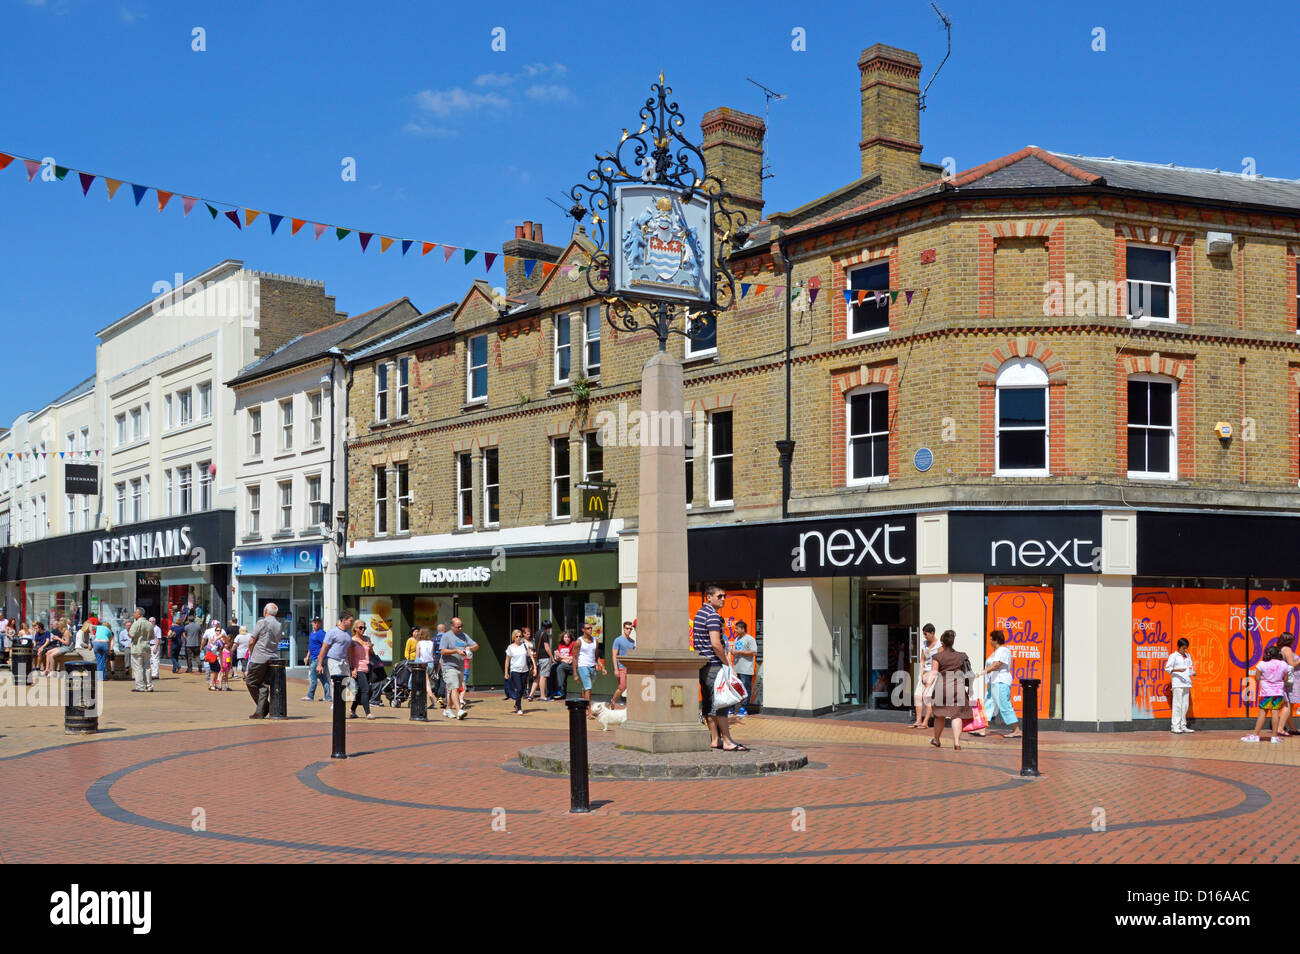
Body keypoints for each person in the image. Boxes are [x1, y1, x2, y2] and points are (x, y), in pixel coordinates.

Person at [693, 584, 745, 751]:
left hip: (703, 665)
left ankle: (715, 739)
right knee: (722, 703)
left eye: (724, 596)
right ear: (709, 597)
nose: (723, 599)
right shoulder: (713, 616)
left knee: (709, 704)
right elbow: (716, 644)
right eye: (719, 596)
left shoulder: (700, 613)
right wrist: (726, 663)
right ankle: (728, 741)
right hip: (714, 665)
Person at [967, 629, 1021, 739]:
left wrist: (982, 672)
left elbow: (996, 665)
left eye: (991, 639)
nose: (990, 641)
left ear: (996, 640)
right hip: (994, 682)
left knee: (1004, 705)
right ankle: (982, 729)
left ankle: (1016, 730)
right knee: (988, 704)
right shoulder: (996, 651)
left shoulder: (1003, 650)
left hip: (1001, 681)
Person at [929, 629, 973, 750]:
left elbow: (933, 674)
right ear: (952, 642)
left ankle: (937, 740)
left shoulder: (937, 657)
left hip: (941, 688)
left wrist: (926, 688)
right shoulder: (961, 656)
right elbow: (968, 672)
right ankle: (957, 742)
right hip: (957, 688)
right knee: (956, 715)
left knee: (939, 715)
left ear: (942, 643)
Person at [1243, 644, 1290, 743]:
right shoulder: (1283, 664)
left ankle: (1255, 735)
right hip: (1279, 692)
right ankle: (1274, 737)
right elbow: (1285, 678)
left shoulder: (1261, 664)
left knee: (1262, 714)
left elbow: (1257, 678)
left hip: (1266, 692)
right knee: (1275, 713)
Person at [244, 604, 282, 719]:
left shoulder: (262, 622)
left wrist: (251, 653)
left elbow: (251, 641)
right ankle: (260, 712)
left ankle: (265, 708)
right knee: (264, 685)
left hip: (259, 658)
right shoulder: (279, 625)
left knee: (250, 682)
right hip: (273, 658)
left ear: (265, 611)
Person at [439, 617, 478, 720]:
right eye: (458, 627)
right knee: (455, 688)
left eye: (461, 626)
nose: (460, 628)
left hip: (460, 667)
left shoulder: (464, 636)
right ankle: (459, 710)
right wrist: (456, 651)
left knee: (454, 689)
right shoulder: (446, 636)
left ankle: (447, 709)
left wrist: (470, 648)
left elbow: (476, 646)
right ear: (452, 626)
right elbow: (442, 651)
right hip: (448, 666)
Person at [910, 623, 940, 728]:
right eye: (924, 634)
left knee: (927, 697)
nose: (925, 636)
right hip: (925, 673)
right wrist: (921, 673)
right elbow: (922, 660)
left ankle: (925, 722)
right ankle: (918, 720)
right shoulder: (924, 644)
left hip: (934, 673)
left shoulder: (939, 645)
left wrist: (931, 677)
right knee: (917, 695)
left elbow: (940, 661)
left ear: (932, 633)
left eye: (926, 634)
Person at [1164, 637, 1196, 734]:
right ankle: (1175, 726)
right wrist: (1178, 670)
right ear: (1179, 647)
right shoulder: (1173, 656)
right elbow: (1167, 668)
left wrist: (1193, 672)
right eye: (1183, 648)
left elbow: (1190, 668)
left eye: (1186, 648)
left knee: (1185, 705)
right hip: (1177, 683)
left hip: (1186, 683)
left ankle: (1183, 725)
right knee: (1177, 704)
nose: (1185, 650)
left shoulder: (1188, 656)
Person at [574, 622, 602, 718]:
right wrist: (575, 673)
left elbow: (596, 655)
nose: (590, 630)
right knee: (588, 689)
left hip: (592, 667)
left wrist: (601, 666)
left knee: (586, 689)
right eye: (588, 628)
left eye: (591, 628)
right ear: (583, 630)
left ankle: (581, 705)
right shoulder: (579, 641)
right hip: (583, 666)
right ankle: (589, 712)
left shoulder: (595, 640)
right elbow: (574, 657)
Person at [503, 628, 533, 715]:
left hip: (525, 670)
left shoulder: (524, 645)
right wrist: (506, 672)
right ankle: (519, 708)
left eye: (520, 636)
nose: (519, 638)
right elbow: (507, 660)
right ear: (513, 637)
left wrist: (534, 666)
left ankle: (516, 704)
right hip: (515, 670)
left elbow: (530, 655)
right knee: (519, 688)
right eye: (517, 636)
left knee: (522, 689)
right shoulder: (510, 647)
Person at [730, 621, 755, 717]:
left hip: (746, 669)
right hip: (737, 668)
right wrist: (733, 652)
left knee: (745, 688)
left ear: (743, 629)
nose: (735, 630)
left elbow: (753, 652)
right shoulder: (737, 639)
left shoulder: (750, 639)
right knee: (736, 687)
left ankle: (744, 708)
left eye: (737, 628)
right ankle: (733, 708)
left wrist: (739, 652)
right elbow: (737, 651)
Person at [302, 617, 330, 702]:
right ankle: (327, 697)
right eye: (315, 622)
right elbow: (311, 646)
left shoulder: (322, 633)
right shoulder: (312, 633)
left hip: (318, 659)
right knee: (323, 677)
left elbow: (325, 646)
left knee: (313, 677)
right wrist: (307, 656)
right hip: (314, 658)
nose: (316, 624)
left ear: (321, 623)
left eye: (318, 622)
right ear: (312, 623)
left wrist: (320, 657)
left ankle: (310, 696)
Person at [350, 623, 375, 719]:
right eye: (360, 628)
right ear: (355, 629)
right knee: (366, 689)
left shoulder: (367, 639)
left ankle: (352, 709)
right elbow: (351, 656)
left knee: (360, 691)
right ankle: (368, 713)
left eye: (364, 627)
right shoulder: (352, 640)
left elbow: (372, 654)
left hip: (367, 667)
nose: (363, 629)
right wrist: (353, 669)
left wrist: (371, 647)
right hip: (358, 668)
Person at [1277, 634, 1300, 738]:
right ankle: (1280, 728)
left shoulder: (1281, 649)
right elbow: (1292, 664)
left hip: (1287, 680)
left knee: (1289, 705)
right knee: (1288, 706)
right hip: (1292, 681)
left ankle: (1292, 729)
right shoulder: (1288, 650)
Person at [610, 620, 637, 709]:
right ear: (623, 628)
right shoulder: (618, 640)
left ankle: (630, 707)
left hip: (630, 668)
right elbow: (614, 655)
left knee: (630, 687)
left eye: (630, 629)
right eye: (627, 628)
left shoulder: (632, 642)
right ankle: (613, 701)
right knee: (622, 687)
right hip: (621, 667)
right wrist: (616, 669)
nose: (629, 630)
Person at [129, 607, 155, 692]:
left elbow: (131, 635)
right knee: (147, 667)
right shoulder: (149, 624)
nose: (134, 614)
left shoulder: (136, 623)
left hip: (137, 648)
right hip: (146, 647)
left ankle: (139, 686)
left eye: (135, 613)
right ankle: (149, 686)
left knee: (138, 667)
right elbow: (152, 637)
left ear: (139, 614)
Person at [530, 622, 555, 702]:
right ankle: (543, 696)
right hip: (544, 657)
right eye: (549, 628)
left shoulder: (537, 633)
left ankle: (531, 695)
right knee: (543, 677)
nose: (549, 630)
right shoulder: (544, 634)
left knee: (538, 677)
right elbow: (547, 647)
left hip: (538, 657)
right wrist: (552, 658)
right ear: (548, 628)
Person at [413, 628, 437, 702]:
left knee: (426, 682)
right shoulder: (431, 643)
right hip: (430, 663)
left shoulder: (419, 643)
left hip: (422, 664)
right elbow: (433, 654)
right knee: (426, 680)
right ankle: (427, 697)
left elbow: (417, 656)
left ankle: (430, 696)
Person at [553, 630, 575, 700]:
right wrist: (563, 659)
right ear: (562, 638)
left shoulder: (573, 644)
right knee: (552, 668)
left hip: (572, 665)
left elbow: (573, 657)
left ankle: (560, 690)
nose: (567, 639)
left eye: (568, 637)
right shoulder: (561, 645)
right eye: (565, 637)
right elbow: (558, 658)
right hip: (563, 663)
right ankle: (552, 691)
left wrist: (561, 657)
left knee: (560, 667)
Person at [205, 623, 226, 691]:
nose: (218, 632)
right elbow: (208, 646)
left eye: (219, 630)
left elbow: (221, 651)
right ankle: (211, 685)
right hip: (211, 655)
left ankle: (213, 684)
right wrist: (206, 655)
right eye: (217, 630)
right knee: (214, 670)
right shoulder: (213, 637)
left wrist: (222, 662)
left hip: (215, 656)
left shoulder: (222, 640)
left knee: (217, 669)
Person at [92, 616, 113, 680]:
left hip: (96, 643)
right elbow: (110, 641)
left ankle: (99, 677)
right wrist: (109, 650)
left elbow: (90, 626)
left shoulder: (98, 627)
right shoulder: (109, 631)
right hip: (104, 643)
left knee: (98, 661)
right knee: (103, 661)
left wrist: (92, 634)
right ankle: (102, 677)